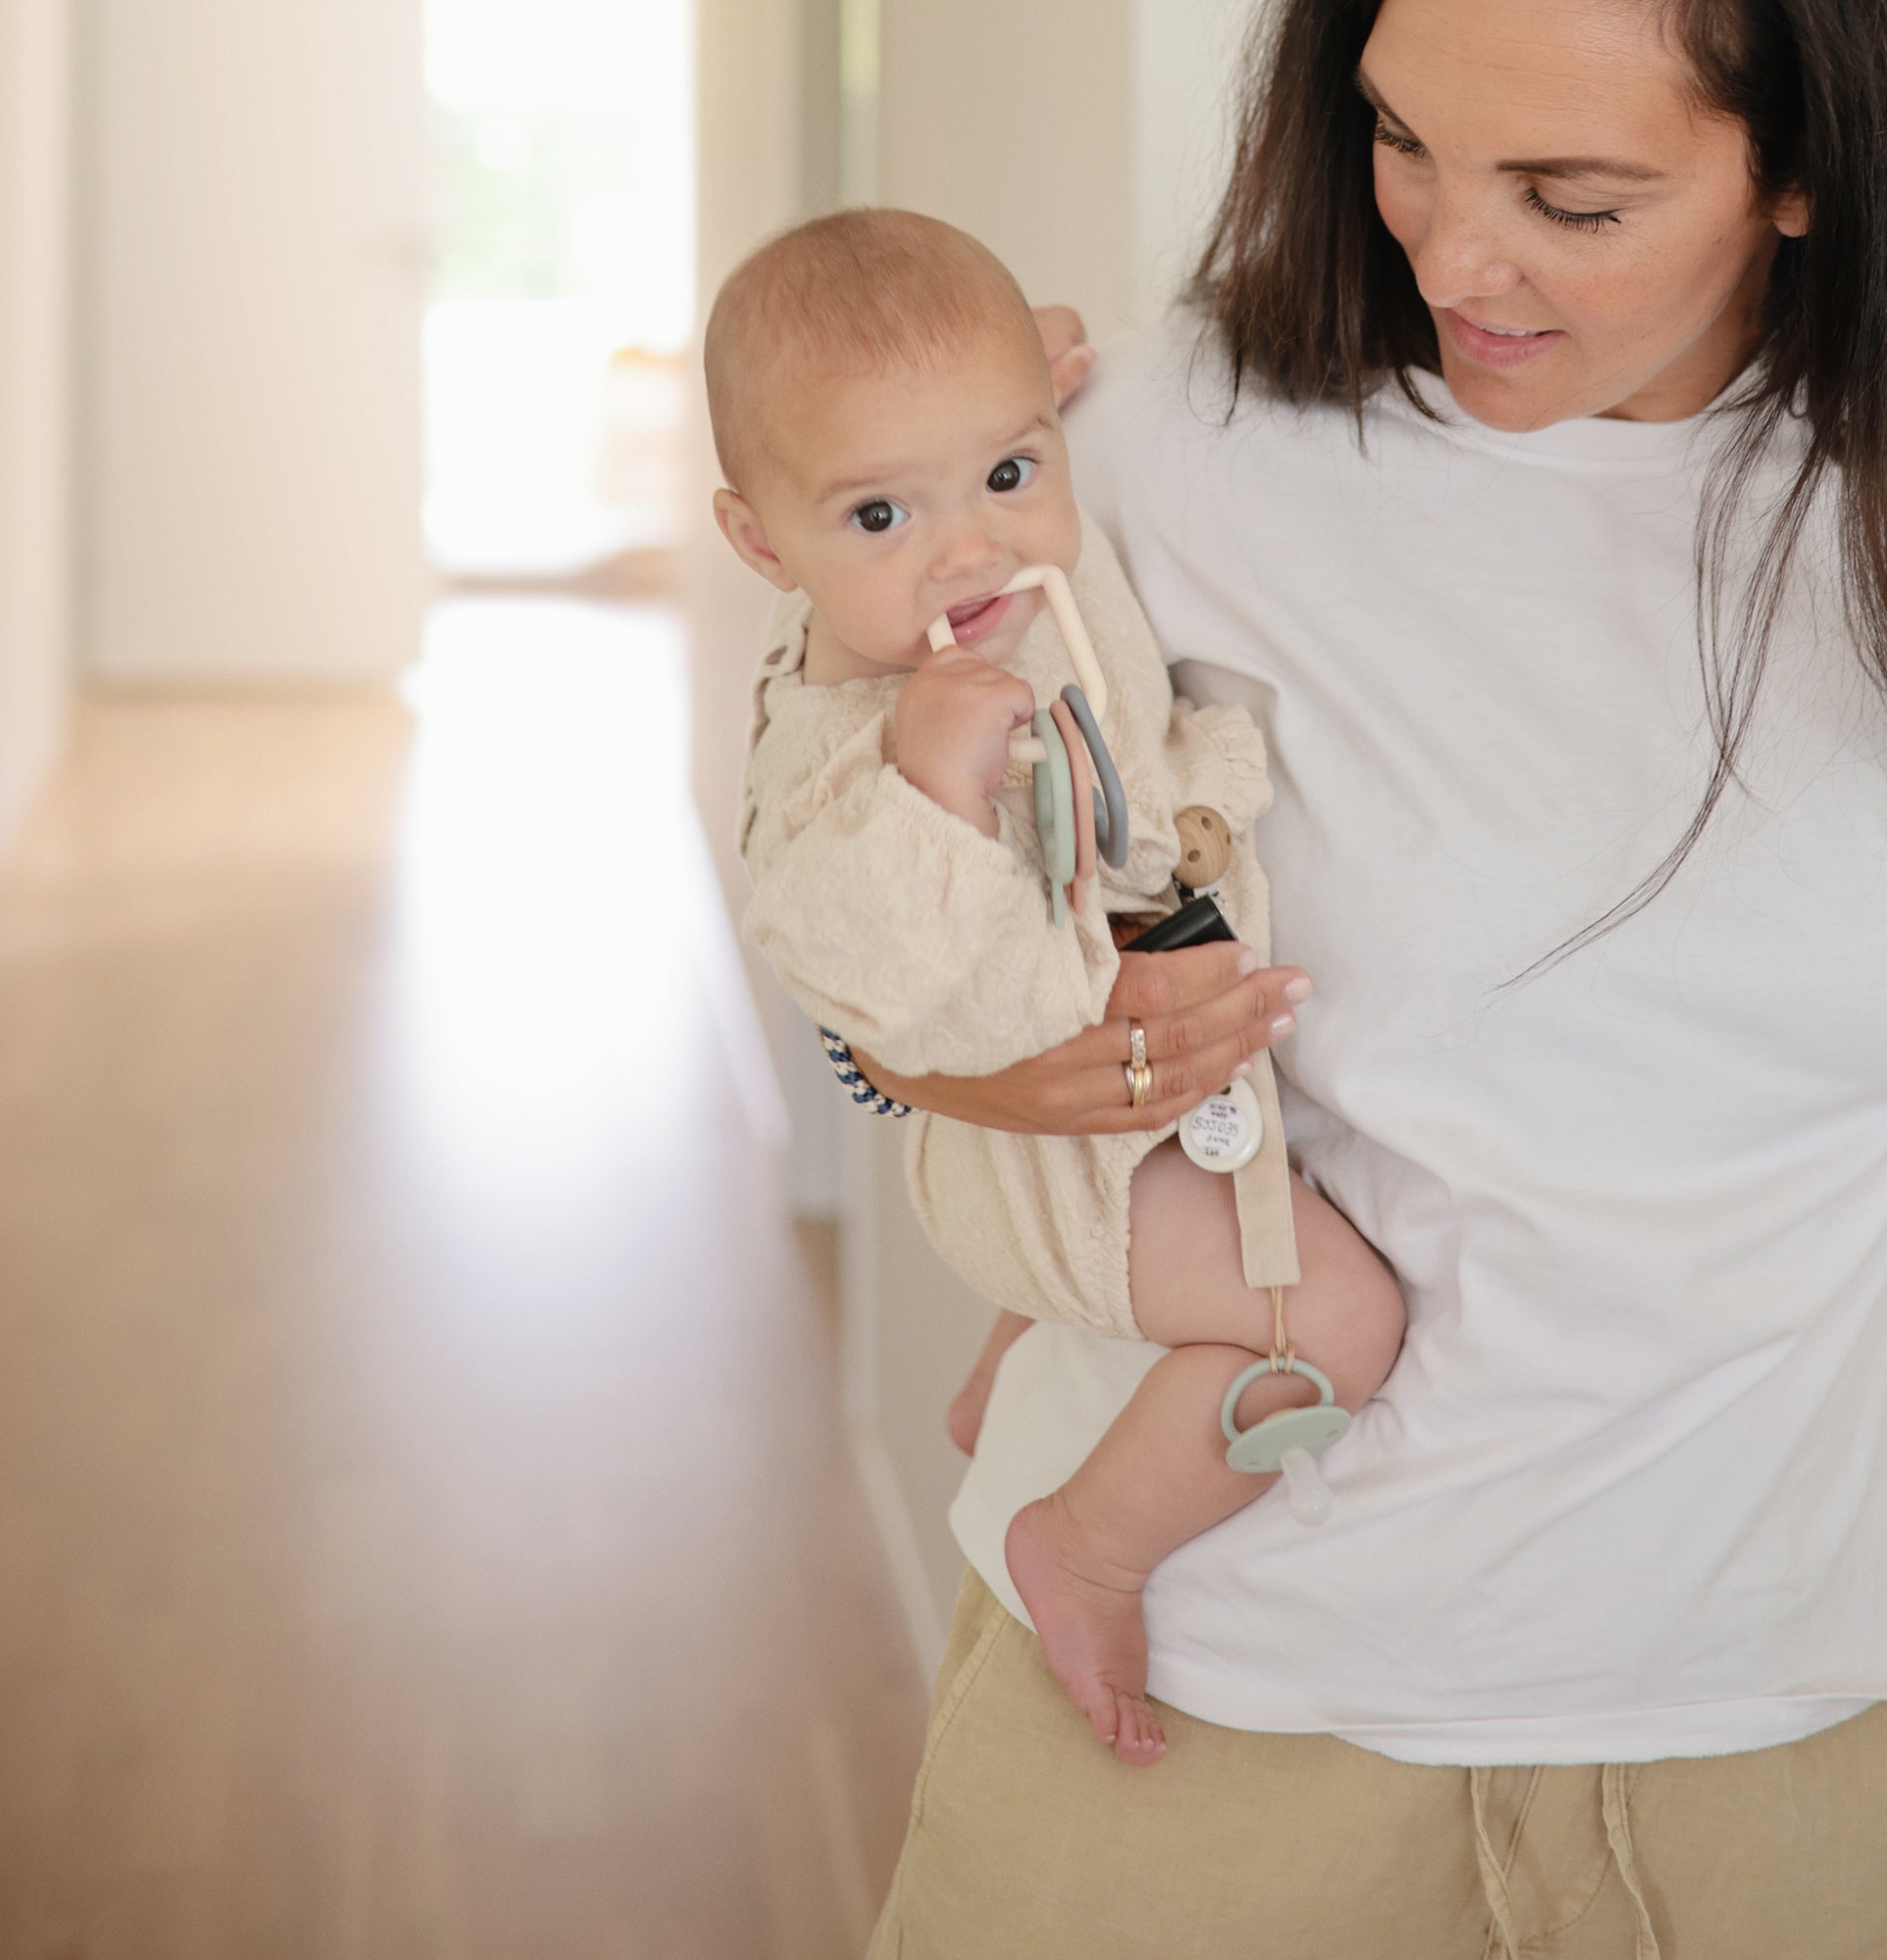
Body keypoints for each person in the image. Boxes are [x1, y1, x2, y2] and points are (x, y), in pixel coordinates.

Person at [854, 0, 1887, 1952]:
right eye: (1401, 140)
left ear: (1812, 174)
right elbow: (853, 866)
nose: (1448, 256)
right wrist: (984, 1088)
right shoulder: (1169, 442)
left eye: (1569, 200)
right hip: (1195, 1702)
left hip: (1784, 1729)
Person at [708, 209, 1405, 1767]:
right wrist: (922, 790)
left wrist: (1013, 378)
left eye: (1010, 476)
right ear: (764, 547)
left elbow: (1015, 371)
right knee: (1341, 1320)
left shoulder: (1017, 574)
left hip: (1099, 1130)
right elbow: (847, 976)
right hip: (1046, 1157)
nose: (970, 550)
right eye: (879, 515)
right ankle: (1084, 1546)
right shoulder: (864, 734)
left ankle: (1023, 1340)